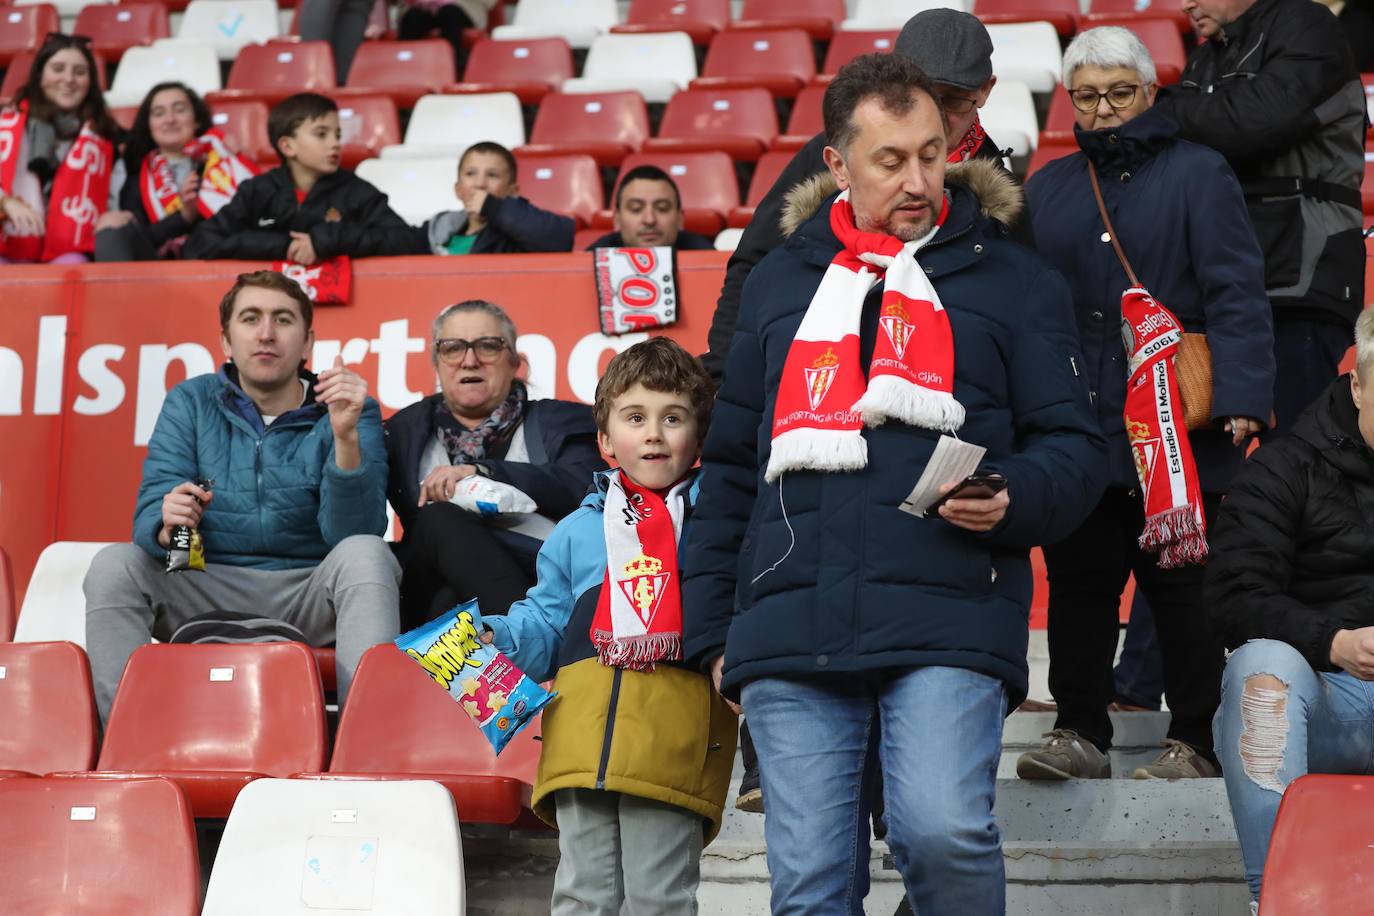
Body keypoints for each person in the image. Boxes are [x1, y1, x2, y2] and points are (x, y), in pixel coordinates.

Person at [681, 53, 1107, 913]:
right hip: (790, 625)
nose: (920, 179)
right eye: (890, 160)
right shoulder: (776, 283)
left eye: (931, 152)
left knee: (941, 835)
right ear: (835, 164)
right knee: (808, 886)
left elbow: (1075, 445)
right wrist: (712, 632)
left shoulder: (1015, 280)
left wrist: (1014, 495)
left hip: (950, 610)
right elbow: (729, 468)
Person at [1016, 27, 1274, 782]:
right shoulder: (1049, 187)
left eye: (1119, 93)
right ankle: (1078, 731)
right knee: (1080, 585)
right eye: (1087, 96)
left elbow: (1235, 288)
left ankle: (1195, 738)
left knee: (1184, 588)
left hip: (1180, 428)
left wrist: (1245, 395)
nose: (1103, 110)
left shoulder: (1201, 173)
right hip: (1080, 429)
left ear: (1149, 92)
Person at [481, 337, 737, 916]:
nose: (653, 433)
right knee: (581, 897)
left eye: (673, 418)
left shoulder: (717, 524)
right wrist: (498, 637)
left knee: (659, 899)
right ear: (605, 440)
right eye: (635, 417)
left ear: (698, 437)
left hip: (672, 741)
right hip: (579, 739)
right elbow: (545, 620)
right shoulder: (576, 529)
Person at [82, 270, 399, 721]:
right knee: (114, 565)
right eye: (251, 318)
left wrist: (345, 438)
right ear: (227, 342)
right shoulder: (190, 401)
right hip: (206, 583)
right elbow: (150, 520)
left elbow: (353, 532)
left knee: (367, 554)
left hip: (308, 591)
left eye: (283, 320)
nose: (266, 333)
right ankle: (124, 742)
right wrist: (167, 521)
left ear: (308, 342)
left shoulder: (348, 405)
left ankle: (363, 743)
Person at [701, 8, 1018, 380]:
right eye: (925, 95)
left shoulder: (1000, 191)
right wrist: (723, 373)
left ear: (985, 90)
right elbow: (753, 262)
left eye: (953, 100)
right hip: (819, 366)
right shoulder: (840, 148)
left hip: (946, 379)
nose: (935, 113)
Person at [1207, 311, 1374, 912]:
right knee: (1263, 668)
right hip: (1330, 702)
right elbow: (1232, 596)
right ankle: (1276, 898)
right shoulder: (1283, 466)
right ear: (1356, 385)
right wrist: (1336, 642)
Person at [1161, 0, 1365, 431]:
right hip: (1231, 291)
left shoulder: (1309, 26)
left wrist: (1160, 111)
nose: (1185, 4)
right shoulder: (1204, 56)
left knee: (1301, 453)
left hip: (1300, 283)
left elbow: (1255, 120)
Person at [386, 300, 605, 631]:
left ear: (515, 361)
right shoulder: (403, 431)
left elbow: (585, 487)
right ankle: (527, 650)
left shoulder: (556, 421)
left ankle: (517, 649)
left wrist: (486, 472)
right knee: (438, 521)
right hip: (426, 582)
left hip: (537, 579)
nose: (469, 360)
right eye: (453, 348)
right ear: (437, 362)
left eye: (488, 346)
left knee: (450, 605)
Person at [184, 93, 426, 261]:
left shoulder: (357, 191)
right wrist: (281, 246)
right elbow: (200, 243)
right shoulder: (257, 191)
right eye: (321, 134)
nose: (335, 144)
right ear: (288, 147)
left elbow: (407, 241)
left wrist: (328, 240)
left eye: (337, 134)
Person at [95, 82, 252, 262]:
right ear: (149, 126)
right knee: (112, 225)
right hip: (155, 268)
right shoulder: (136, 177)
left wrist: (236, 158)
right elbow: (140, 238)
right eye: (159, 113)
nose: (170, 119)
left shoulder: (223, 161)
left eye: (179, 110)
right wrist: (185, 216)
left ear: (197, 119)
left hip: (218, 256)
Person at [0, 33, 120, 264]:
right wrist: (5, 202)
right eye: (58, 68)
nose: (68, 79)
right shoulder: (6, 123)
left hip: (69, 252)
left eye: (79, 72)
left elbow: (113, 199)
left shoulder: (106, 136)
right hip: (8, 245)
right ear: (40, 75)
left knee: (72, 266)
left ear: (90, 82)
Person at [422, 141, 574, 254]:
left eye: (492, 175)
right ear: (458, 189)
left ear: (513, 191)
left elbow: (560, 238)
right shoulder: (437, 228)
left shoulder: (515, 239)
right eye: (471, 173)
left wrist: (492, 207)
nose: (480, 184)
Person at [584, 165, 714, 250]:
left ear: (680, 219)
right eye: (636, 209)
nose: (650, 220)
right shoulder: (594, 259)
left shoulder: (707, 257)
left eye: (662, 208)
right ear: (617, 219)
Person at [397, 0, 499, 75]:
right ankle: (403, 68)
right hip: (421, 9)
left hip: (460, 9)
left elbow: (491, 3)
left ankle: (455, 68)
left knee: (449, 13)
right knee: (413, 17)